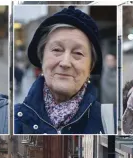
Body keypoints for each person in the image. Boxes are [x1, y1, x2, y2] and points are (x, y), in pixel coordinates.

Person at [15, 6, 105, 134]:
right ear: (42, 58)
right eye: (57, 50)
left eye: (78, 53)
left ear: (90, 66)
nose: (65, 62)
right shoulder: (12, 120)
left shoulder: (109, 122)